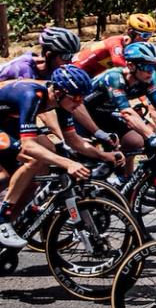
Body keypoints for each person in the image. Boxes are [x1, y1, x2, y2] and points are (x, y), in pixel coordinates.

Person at [0, 65, 100, 249]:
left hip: (7, 122)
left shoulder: (62, 102)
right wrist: (68, 164)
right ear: (59, 92)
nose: (79, 103)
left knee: (48, 153)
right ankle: (2, 219)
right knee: (34, 158)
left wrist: (104, 155)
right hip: (4, 124)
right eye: (76, 97)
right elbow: (28, 146)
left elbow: (73, 140)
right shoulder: (32, 95)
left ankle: (16, 220)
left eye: (82, 98)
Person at [71, 13, 156, 76]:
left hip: (89, 74)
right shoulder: (116, 42)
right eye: (145, 35)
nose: (147, 39)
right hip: (76, 71)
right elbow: (118, 62)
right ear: (131, 32)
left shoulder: (130, 47)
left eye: (150, 35)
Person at [0, 26, 82, 82]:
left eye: (72, 56)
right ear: (49, 55)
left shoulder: (49, 70)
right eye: (65, 56)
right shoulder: (23, 70)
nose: (70, 62)